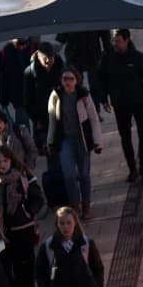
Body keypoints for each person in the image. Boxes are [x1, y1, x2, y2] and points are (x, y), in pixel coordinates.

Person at [0, 147, 44, 287]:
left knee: (24, 266)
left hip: (22, 228)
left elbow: (37, 198)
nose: (2, 165)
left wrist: (28, 212)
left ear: (11, 160)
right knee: (4, 269)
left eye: (5, 161)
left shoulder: (22, 177)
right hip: (0, 234)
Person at [98, 32, 143, 185]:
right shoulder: (107, 58)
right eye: (114, 41)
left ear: (127, 41)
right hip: (120, 105)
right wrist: (104, 99)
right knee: (125, 137)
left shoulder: (138, 57)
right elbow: (101, 79)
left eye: (118, 41)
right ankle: (132, 169)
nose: (115, 44)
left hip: (138, 102)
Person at [44, 68, 103, 222]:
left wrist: (97, 141)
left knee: (84, 174)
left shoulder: (83, 95)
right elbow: (52, 120)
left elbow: (94, 119)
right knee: (68, 174)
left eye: (71, 79)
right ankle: (75, 205)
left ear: (77, 81)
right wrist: (50, 142)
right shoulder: (56, 96)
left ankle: (86, 206)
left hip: (82, 139)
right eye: (65, 79)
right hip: (65, 140)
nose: (68, 82)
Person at [20, 42, 65, 149]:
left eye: (51, 57)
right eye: (45, 58)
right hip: (43, 119)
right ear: (38, 57)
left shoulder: (62, 68)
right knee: (50, 151)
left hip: (62, 117)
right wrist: (36, 120)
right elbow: (28, 99)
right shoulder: (30, 73)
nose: (48, 60)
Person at [0, 106, 37, 177]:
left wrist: (28, 168)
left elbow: (32, 150)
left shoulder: (20, 131)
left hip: (20, 174)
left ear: (4, 121)